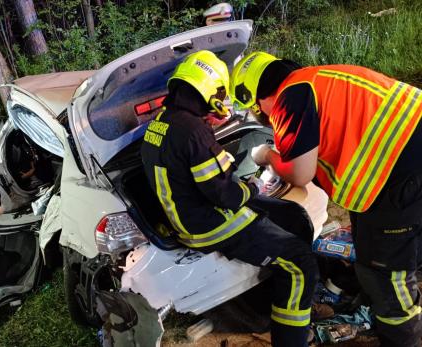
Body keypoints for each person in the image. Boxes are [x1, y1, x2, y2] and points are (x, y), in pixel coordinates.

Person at [230, 51, 422, 346]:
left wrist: (266, 155)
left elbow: (300, 172)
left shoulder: (289, 98)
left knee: (385, 272)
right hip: (403, 156)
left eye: (257, 110)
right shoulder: (319, 78)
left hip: (400, 174)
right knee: (386, 246)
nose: (263, 117)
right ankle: (381, 307)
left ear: (257, 97)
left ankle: (400, 334)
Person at [141, 50, 319, 346]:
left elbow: (199, 176)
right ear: (209, 89)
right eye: (221, 92)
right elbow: (225, 195)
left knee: (291, 217)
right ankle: (291, 338)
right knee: (301, 262)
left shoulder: (158, 125)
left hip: (188, 219)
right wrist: (252, 188)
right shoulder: (193, 131)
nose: (222, 100)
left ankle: (274, 305)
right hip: (212, 225)